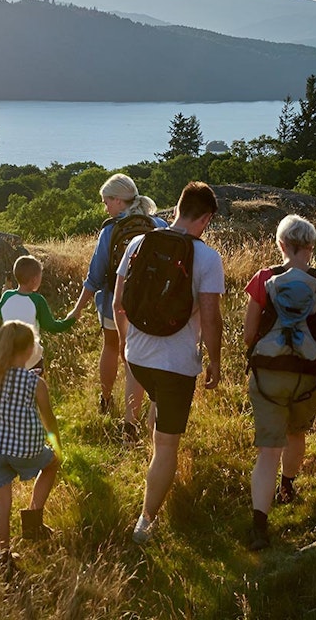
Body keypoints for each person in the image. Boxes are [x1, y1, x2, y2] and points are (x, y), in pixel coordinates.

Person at [112, 181, 224, 544]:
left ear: (177, 208)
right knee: (167, 446)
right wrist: (215, 362)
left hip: (138, 358)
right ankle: (147, 520)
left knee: (157, 411)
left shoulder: (139, 242)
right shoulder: (207, 258)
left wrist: (127, 343)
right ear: (205, 219)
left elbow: (118, 303)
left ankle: (152, 468)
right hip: (175, 365)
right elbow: (211, 318)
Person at [242, 214, 316, 551]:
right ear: (311, 247)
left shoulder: (263, 279)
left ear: (281, 244)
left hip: (268, 376)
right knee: (296, 435)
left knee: (267, 451)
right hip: (309, 377)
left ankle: (260, 527)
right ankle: (287, 487)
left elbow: (248, 335)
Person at [67, 174, 167, 436]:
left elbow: (95, 277)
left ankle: (106, 399)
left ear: (119, 201)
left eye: (106, 201)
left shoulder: (110, 230)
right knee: (146, 354)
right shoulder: (159, 224)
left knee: (111, 346)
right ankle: (144, 408)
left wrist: (77, 310)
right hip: (152, 306)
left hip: (116, 302)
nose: (105, 208)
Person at [0, 320, 61, 572]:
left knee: (1, 504)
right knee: (52, 464)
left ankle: (3, 554)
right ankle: (33, 520)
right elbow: (49, 419)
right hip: (24, 450)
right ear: (30, 350)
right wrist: (57, 444)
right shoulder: (35, 384)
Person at [0, 254, 76, 375]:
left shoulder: (7, 296)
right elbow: (52, 327)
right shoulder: (38, 300)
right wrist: (71, 319)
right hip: (31, 358)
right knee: (34, 391)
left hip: (8, 356)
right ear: (34, 280)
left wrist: (4, 295)